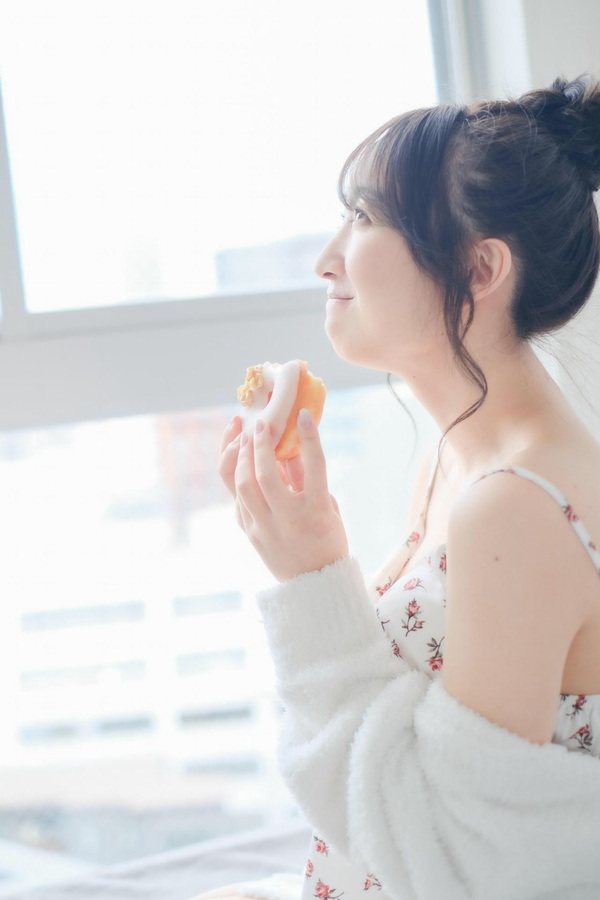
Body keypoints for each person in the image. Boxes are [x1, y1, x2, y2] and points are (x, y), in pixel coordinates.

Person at [208, 73, 600, 900]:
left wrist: (312, 580)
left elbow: (459, 862)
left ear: (479, 267)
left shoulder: (518, 505)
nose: (326, 258)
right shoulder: (453, 464)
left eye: (363, 217)